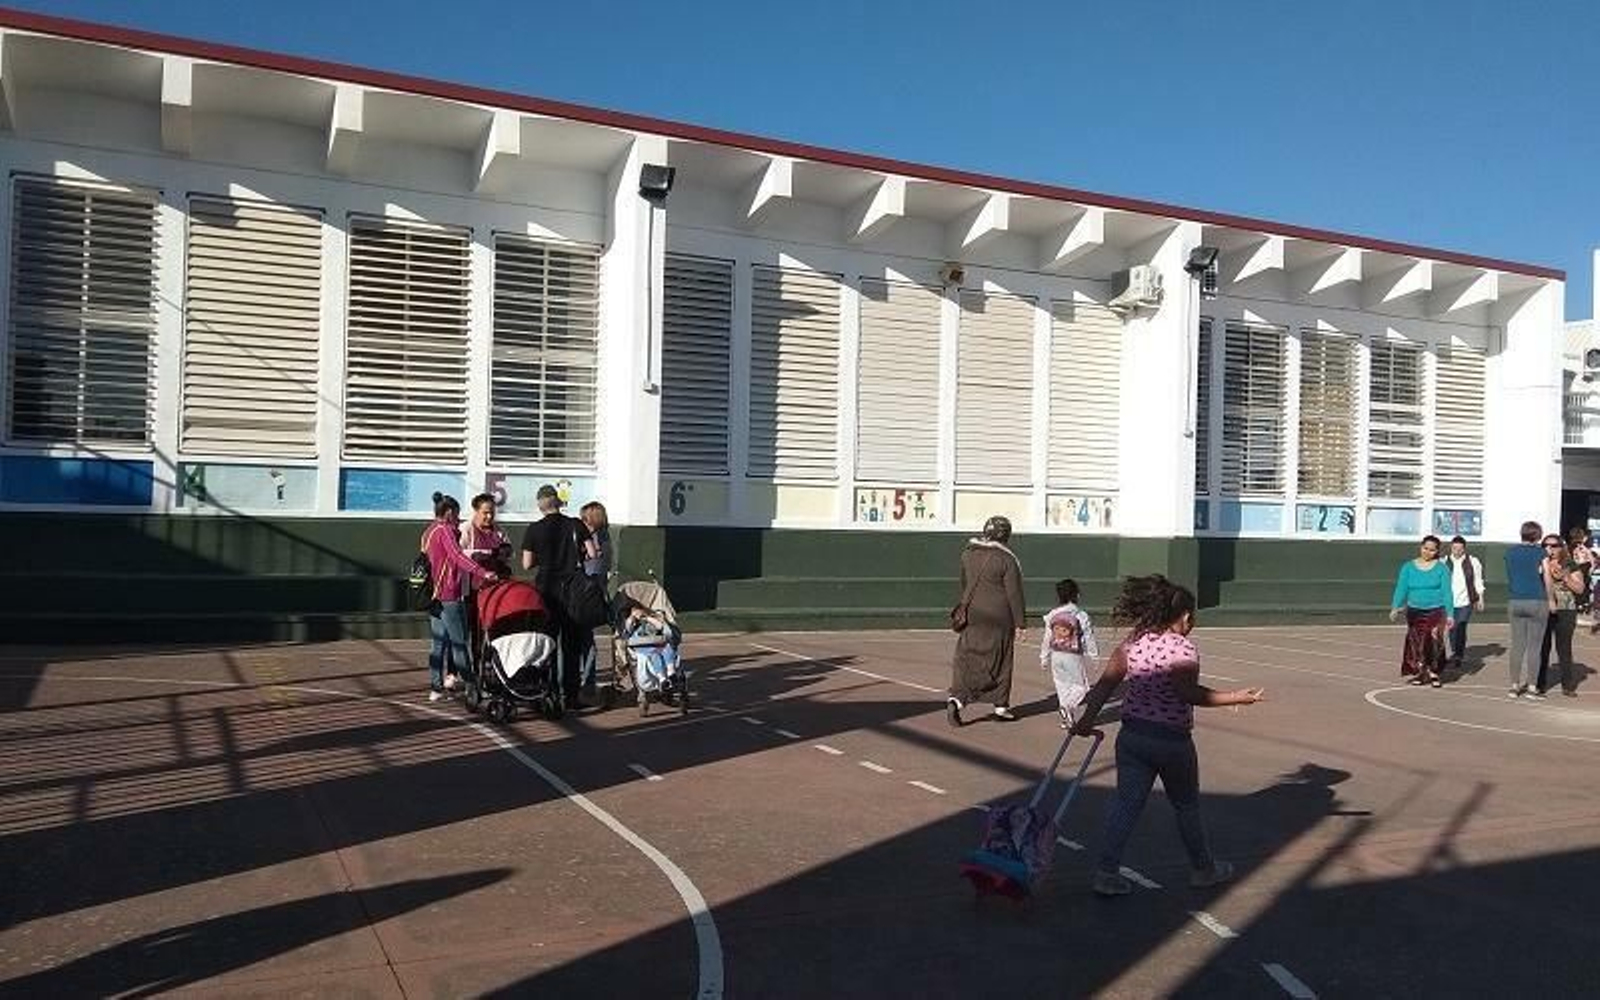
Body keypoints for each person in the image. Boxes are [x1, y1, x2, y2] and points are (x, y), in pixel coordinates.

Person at [1071, 574, 1264, 897]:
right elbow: (1189, 693)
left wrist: (1086, 721)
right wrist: (1236, 697)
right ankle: (1203, 869)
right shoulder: (1183, 648)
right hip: (1172, 741)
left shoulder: (1133, 642)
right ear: (1185, 617)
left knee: (1126, 804)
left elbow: (1105, 684)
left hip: (1133, 736)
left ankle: (1106, 872)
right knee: (1186, 805)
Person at [520, 484, 597, 709]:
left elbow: (526, 564)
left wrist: (543, 559)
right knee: (571, 645)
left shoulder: (534, 529)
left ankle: (549, 690)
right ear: (558, 502)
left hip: (546, 590)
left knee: (548, 643)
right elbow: (592, 553)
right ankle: (570, 695)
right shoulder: (575, 524)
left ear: (540, 505)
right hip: (573, 589)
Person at [947, 516, 1025, 727]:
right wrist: (1020, 622)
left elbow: (964, 583)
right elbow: (1014, 593)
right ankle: (1000, 706)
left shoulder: (968, 554)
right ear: (1006, 534)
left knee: (967, 655)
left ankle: (957, 699)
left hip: (972, 613)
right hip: (1000, 617)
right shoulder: (1006, 559)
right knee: (1001, 660)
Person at [422, 493, 496, 702]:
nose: (458, 518)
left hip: (433, 594)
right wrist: (483, 572)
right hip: (449, 593)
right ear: (449, 513)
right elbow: (457, 556)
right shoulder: (445, 530)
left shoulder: (428, 531)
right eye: (456, 514)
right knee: (459, 643)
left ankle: (436, 687)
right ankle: (472, 687)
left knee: (438, 643)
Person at [1388, 535, 1453, 688]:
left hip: (1435, 610)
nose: (1427, 552)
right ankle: (1421, 671)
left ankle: (1434, 671)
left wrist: (1450, 614)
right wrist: (1395, 607)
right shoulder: (1408, 567)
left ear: (1437, 551)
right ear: (1421, 547)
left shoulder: (1442, 568)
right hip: (1414, 610)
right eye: (1425, 548)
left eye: (1432, 550)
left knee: (1432, 638)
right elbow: (1401, 588)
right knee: (1416, 641)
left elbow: (1447, 592)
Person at [1039, 578, 1099, 729]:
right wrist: (1094, 655)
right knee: (1082, 687)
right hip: (1073, 656)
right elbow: (1089, 637)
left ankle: (1068, 719)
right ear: (1076, 595)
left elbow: (1047, 638)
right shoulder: (1081, 615)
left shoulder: (1053, 614)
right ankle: (1067, 707)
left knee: (1062, 686)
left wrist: (1044, 657)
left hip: (1056, 655)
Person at [1536, 535, 1586, 698]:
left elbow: (1580, 589)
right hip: (1543, 609)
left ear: (1561, 547)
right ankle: (1539, 684)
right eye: (1546, 545)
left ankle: (1568, 685)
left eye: (1554, 546)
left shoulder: (1569, 564)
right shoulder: (1539, 563)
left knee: (1564, 648)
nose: (1550, 549)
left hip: (1566, 610)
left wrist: (1565, 577)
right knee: (1543, 648)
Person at [1504, 521, 1549, 698]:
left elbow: (1510, 574)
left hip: (1515, 599)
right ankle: (1531, 687)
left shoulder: (1510, 552)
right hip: (1537, 599)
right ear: (1537, 535)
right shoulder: (1540, 552)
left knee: (1517, 645)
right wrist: (1551, 598)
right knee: (1534, 647)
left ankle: (1514, 686)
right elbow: (1546, 576)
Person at [575, 501, 612, 695]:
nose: (582, 523)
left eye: (585, 519)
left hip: (587, 595)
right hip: (594, 594)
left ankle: (586, 680)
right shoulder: (604, 536)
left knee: (585, 638)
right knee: (586, 638)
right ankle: (587, 679)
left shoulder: (596, 538)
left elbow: (593, 563)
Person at [1443, 536, 1486, 673]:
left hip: (1465, 602)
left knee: (1461, 626)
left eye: (1460, 548)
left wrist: (1480, 598)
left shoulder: (1473, 562)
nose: (1457, 551)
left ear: (1464, 549)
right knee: (1452, 628)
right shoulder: (1444, 562)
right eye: (1454, 548)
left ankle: (1458, 655)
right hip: (1449, 602)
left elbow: (1478, 580)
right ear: (1451, 548)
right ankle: (1455, 651)